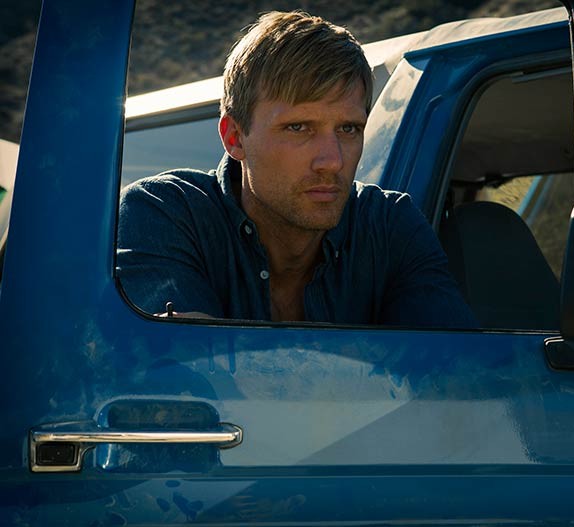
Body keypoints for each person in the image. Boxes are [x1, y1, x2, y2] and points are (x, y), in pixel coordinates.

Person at [117, 10, 476, 328]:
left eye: (348, 129)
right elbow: (182, 370)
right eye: (299, 127)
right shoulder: (166, 212)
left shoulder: (388, 225)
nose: (333, 161)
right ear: (235, 138)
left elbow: (454, 371)